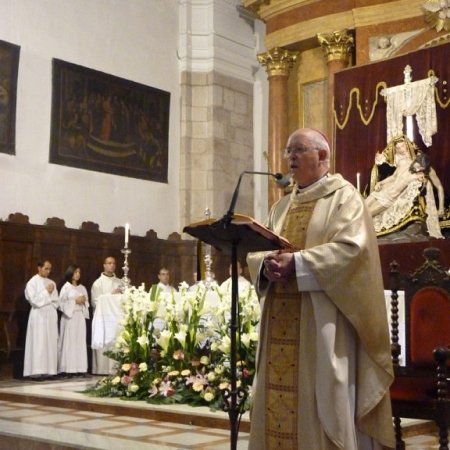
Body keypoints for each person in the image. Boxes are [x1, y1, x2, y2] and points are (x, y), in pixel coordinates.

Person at [246, 128, 395, 449]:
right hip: (279, 322)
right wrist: (265, 263)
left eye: (298, 149)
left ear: (323, 155)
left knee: (320, 401)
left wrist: (297, 264)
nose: (290, 157)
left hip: (323, 325)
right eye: (288, 151)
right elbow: (258, 247)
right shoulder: (280, 208)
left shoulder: (345, 199)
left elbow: (352, 253)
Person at [23, 260, 60, 380]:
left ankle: (50, 371)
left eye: (50, 269)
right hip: (38, 315)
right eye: (46, 268)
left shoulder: (51, 282)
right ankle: (37, 372)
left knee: (50, 342)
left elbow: (56, 301)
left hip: (50, 315)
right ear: (39, 268)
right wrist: (46, 292)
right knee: (39, 342)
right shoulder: (32, 282)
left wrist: (49, 299)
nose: (48, 271)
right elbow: (34, 301)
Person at [90, 256, 123, 375]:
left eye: (114, 263)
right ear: (104, 265)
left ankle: (117, 369)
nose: (112, 265)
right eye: (109, 263)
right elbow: (95, 302)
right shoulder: (98, 283)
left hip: (117, 321)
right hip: (104, 320)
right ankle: (102, 370)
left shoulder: (120, 282)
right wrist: (110, 295)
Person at [58, 264, 90, 378]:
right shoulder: (66, 287)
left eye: (79, 272)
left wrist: (83, 301)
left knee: (79, 341)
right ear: (70, 273)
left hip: (79, 316)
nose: (78, 274)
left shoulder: (82, 288)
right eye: (75, 272)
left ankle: (80, 368)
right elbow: (60, 304)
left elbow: (87, 303)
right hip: (69, 317)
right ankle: (67, 369)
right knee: (69, 342)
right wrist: (75, 301)